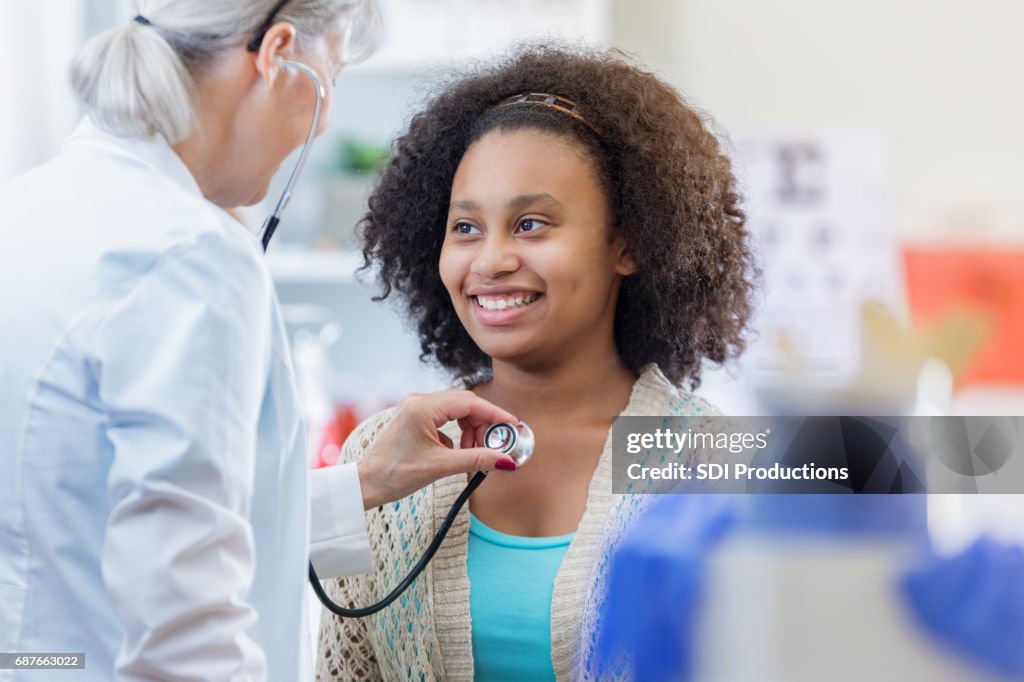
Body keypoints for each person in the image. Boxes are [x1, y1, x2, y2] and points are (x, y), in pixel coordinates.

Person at [0, 2, 520, 680]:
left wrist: (363, 485)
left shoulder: (27, 209)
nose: (326, 116)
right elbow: (184, 629)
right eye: (330, 78)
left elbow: (114, 516)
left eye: (533, 225)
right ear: (279, 57)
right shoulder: (190, 253)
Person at [316, 45, 755, 681]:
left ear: (626, 245)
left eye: (530, 224)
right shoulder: (379, 459)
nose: (490, 260)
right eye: (465, 228)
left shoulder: (712, 459)